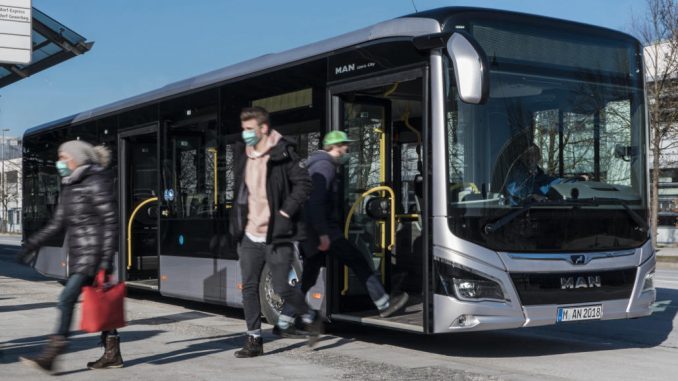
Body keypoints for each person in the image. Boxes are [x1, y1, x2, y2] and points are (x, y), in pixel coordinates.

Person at [16, 140, 122, 372]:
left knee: (66, 299)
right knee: (100, 302)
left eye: (64, 157)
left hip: (92, 257)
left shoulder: (97, 180)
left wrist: (105, 260)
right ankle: (112, 353)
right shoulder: (71, 184)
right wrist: (31, 245)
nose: (60, 162)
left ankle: (52, 355)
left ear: (76, 158)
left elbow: (111, 221)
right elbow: (56, 224)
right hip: (80, 255)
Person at [229, 106, 317, 358]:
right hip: (250, 235)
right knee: (248, 287)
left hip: (277, 234)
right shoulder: (244, 155)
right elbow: (241, 194)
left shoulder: (283, 152)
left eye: (249, 129)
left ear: (263, 128)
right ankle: (254, 340)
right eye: (243, 129)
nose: (245, 134)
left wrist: (285, 213)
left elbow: (303, 183)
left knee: (281, 287)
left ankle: (310, 316)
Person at [297, 131, 409, 320]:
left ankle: (285, 320)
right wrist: (324, 234)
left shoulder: (320, 165)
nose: (347, 149)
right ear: (334, 147)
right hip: (326, 234)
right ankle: (384, 304)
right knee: (358, 261)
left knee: (308, 278)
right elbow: (316, 203)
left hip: (314, 233)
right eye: (344, 145)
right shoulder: (324, 166)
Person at [504, 144, 588, 205]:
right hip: (517, 216)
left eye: (533, 154)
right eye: (527, 154)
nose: (529, 158)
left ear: (539, 157)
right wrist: (531, 196)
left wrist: (578, 179)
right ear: (522, 157)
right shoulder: (515, 176)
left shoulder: (543, 179)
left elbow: (560, 183)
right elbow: (514, 191)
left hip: (540, 217)